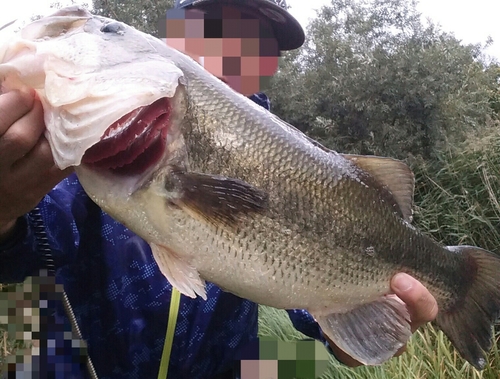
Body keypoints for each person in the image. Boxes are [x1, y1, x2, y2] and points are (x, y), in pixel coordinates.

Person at [0, 0, 438, 378]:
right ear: (177, 34)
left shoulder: (295, 168)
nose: (237, 50)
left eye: (260, 41)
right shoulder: (82, 139)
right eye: (216, 28)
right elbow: (25, 258)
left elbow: (317, 318)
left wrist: (356, 337)